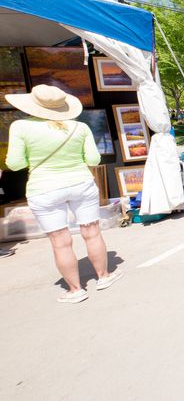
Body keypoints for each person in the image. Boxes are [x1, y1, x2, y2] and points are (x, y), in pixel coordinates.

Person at [4, 85, 123, 303]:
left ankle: (75, 289)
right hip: (81, 183)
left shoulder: (20, 127)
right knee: (92, 232)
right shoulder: (79, 128)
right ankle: (104, 276)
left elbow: (15, 163)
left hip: (44, 187)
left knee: (60, 241)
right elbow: (93, 160)